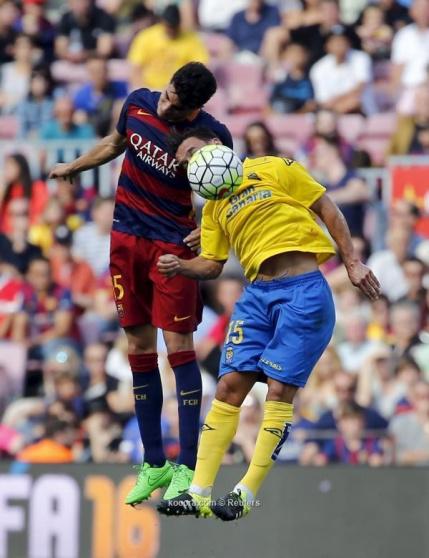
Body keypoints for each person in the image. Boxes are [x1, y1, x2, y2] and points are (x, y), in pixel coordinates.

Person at [156, 126, 380, 520]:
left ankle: (245, 493)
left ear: (214, 145)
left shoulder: (273, 168)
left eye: (191, 153)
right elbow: (212, 264)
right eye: (184, 164)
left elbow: (326, 207)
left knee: (278, 390)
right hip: (257, 295)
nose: (191, 164)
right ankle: (198, 492)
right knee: (228, 386)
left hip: (304, 291)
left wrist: (351, 262)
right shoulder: (214, 208)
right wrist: (181, 266)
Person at [48, 62, 232, 506]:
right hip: (126, 238)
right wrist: (75, 165)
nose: (166, 106)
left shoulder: (214, 137)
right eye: (167, 95)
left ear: (195, 109)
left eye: (177, 105)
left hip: (171, 248)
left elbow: (225, 191)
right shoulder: (137, 104)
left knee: (179, 348)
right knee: (137, 345)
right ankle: (154, 464)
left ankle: (187, 468)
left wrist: (207, 228)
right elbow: (115, 143)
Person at [127, 5, 209, 91]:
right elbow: (135, 68)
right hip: (150, 90)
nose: (171, 30)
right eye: (169, 26)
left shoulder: (191, 39)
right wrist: (144, 91)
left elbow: (201, 69)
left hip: (179, 92)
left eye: (174, 27)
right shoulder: (146, 37)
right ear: (162, 22)